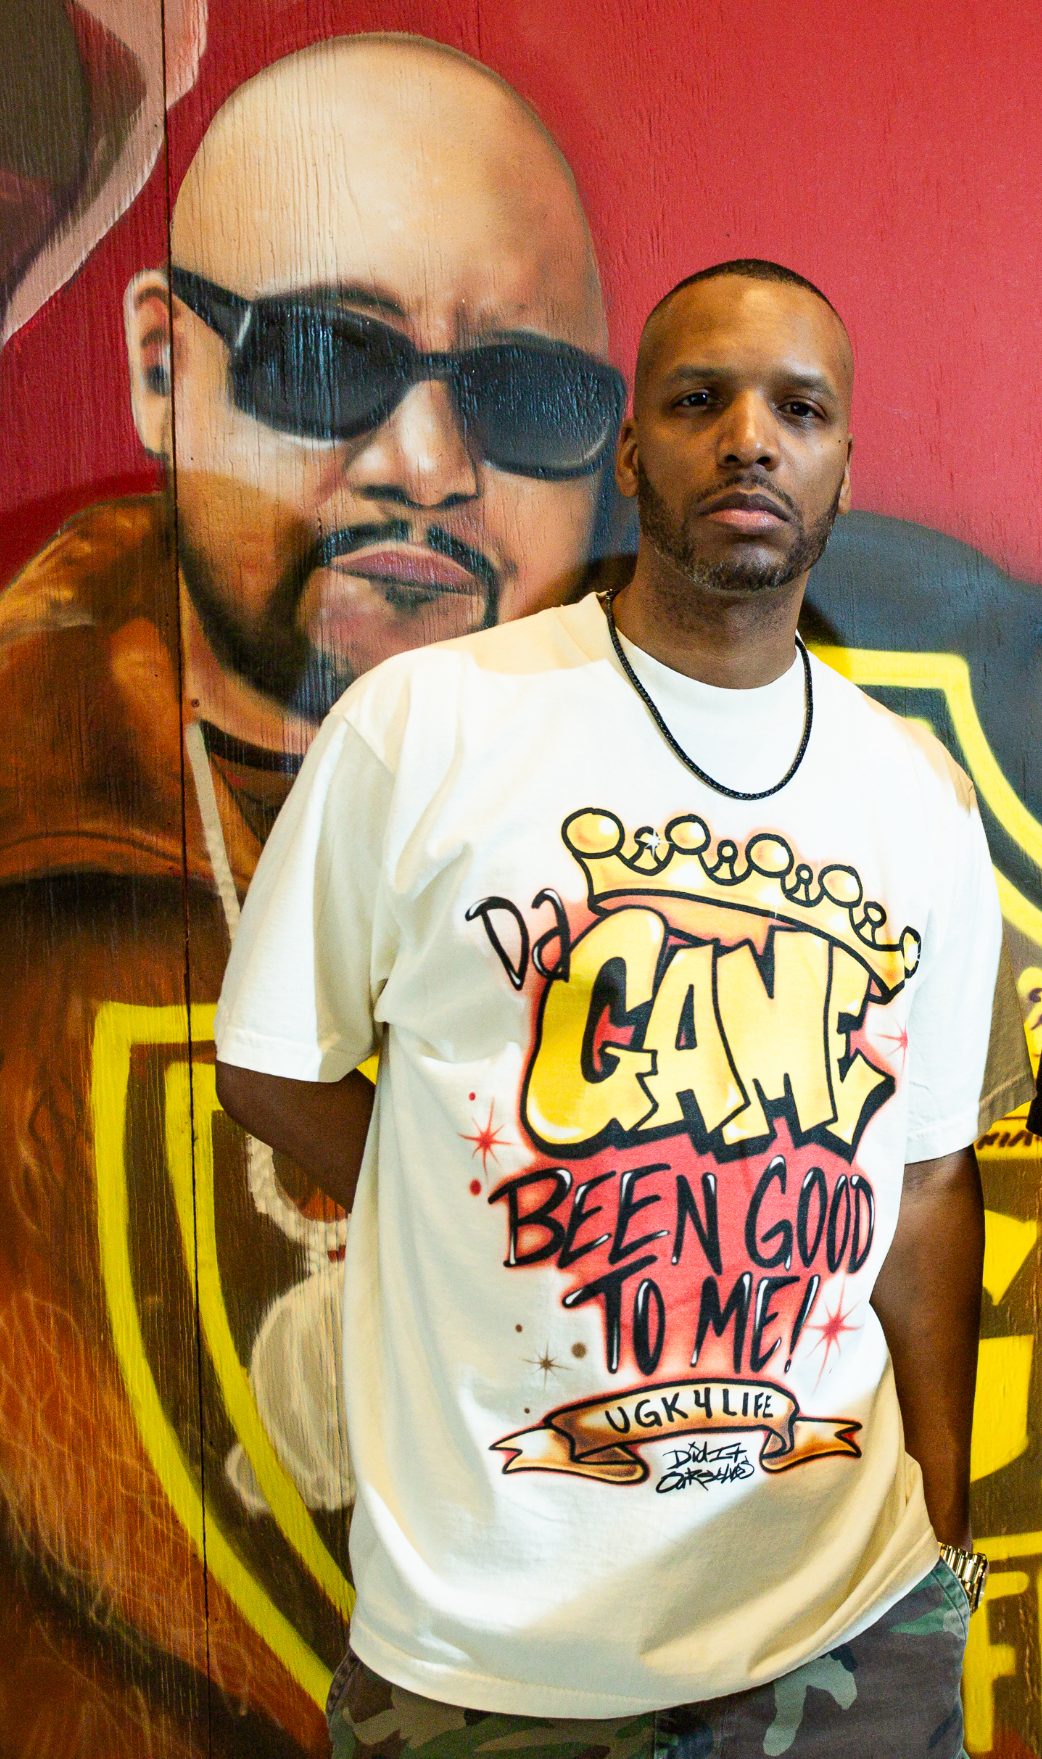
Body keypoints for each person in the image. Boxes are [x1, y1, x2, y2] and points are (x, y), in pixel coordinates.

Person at [215, 260, 1032, 1759]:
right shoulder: (427, 726)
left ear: (843, 467)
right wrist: (457, 1202)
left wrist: (941, 1510)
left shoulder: (913, 795)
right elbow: (270, 1067)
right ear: (633, 451)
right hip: (483, 1645)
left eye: (798, 410)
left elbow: (924, 1185)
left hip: (843, 1624)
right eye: (698, 399)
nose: (749, 439)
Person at [0, 35, 619, 1759]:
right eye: (329, 358)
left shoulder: (728, 836)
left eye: (519, 392)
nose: (424, 458)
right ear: (159, 366)